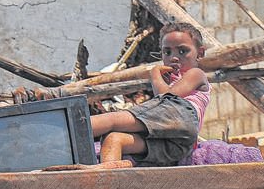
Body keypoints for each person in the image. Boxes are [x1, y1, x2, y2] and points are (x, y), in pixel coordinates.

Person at [90, 22, 210, 166]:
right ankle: (111, 182)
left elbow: (167, 98)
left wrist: (155, 74)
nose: (174, 57)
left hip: (183, 123)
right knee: (114, 139)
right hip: (177, 145)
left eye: (182, 51)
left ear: (200, 53)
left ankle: (63, 133)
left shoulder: (195, 74)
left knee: (112, 120)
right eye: (167, 52)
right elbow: (164, 105)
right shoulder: (170, 81)